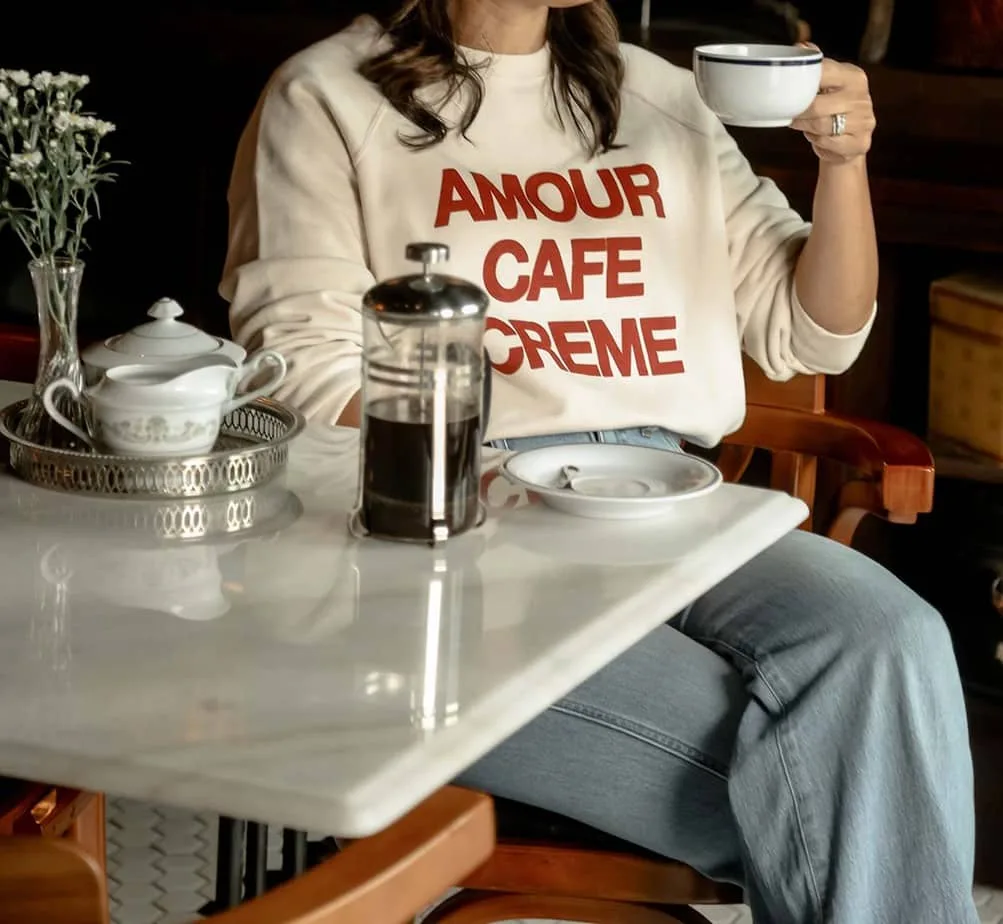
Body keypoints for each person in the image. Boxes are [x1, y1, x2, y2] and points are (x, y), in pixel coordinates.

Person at [220, 2, 979, 921]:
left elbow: (812, 330)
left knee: (890, 637)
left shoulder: (659, 94)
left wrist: (843, 164)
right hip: (457, 518)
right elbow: (299, 370)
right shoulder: (326, 95)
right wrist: (475, 464)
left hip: (662, 494)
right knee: (851, 768)